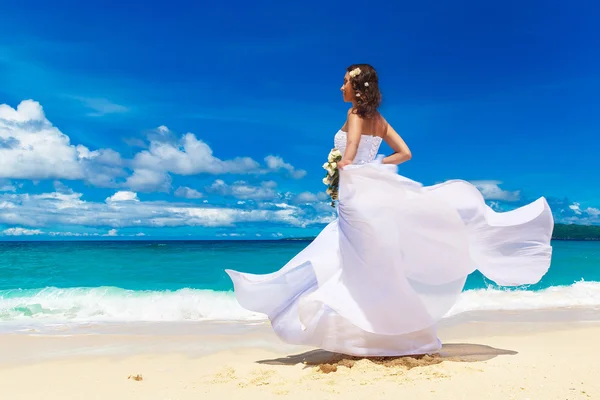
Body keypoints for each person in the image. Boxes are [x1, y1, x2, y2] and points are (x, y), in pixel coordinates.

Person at [225, 64, 554, 357]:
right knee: (367, 262)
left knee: (349, 259)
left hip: (356, 196)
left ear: (358, 87)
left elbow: (351, 148)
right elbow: (405, 153)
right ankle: (391, 333)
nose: (341, 88)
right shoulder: (380, 120)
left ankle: (359, 333)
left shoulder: (355, 115)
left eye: (345, 82)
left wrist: (346, 171)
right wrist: (378, 167)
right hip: (369, 194)